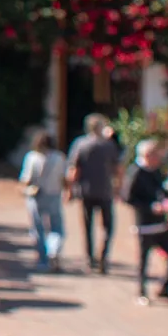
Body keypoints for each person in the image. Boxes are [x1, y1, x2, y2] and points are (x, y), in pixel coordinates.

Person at [124, 136, 168, 305]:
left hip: (160, 223)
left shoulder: (156, 171)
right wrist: (149, 207)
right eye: (156, 155)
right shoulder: (136, 172)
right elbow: (128, 198)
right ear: (147, 155)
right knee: (144, 259)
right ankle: (141, 292)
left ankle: (165, 289)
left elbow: (159, 191)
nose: (158, 159)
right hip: (145, 224)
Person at [66, 112, 119, 272]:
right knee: (108, 226)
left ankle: (90, 259)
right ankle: (103, 257)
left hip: (86, 190)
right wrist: (118, 187)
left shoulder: (80, 144)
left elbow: (74, 169)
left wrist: (69, 189)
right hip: (105, 191)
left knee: (88, 226)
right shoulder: (109, 145)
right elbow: (118, 168)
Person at [18, 128, 67, 270]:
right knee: (56, 227)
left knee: (38, 228)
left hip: (36, 195)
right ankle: (54, 249)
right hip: (54, 194)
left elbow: (26, 179)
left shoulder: (32, 157)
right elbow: (63, 178)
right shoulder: (59, 157)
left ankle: (42, 259)